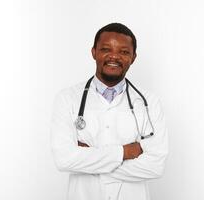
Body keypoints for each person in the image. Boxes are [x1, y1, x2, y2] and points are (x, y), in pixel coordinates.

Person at [51, 23, 168, 200]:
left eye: (124, 52)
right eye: (106, 49)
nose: (114, 56)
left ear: (133, 57)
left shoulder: (149, 103)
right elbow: (64, 159)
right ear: (94, 52)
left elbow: (155, 166)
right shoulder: (67, 99)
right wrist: (124, 153)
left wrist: (89, 161)